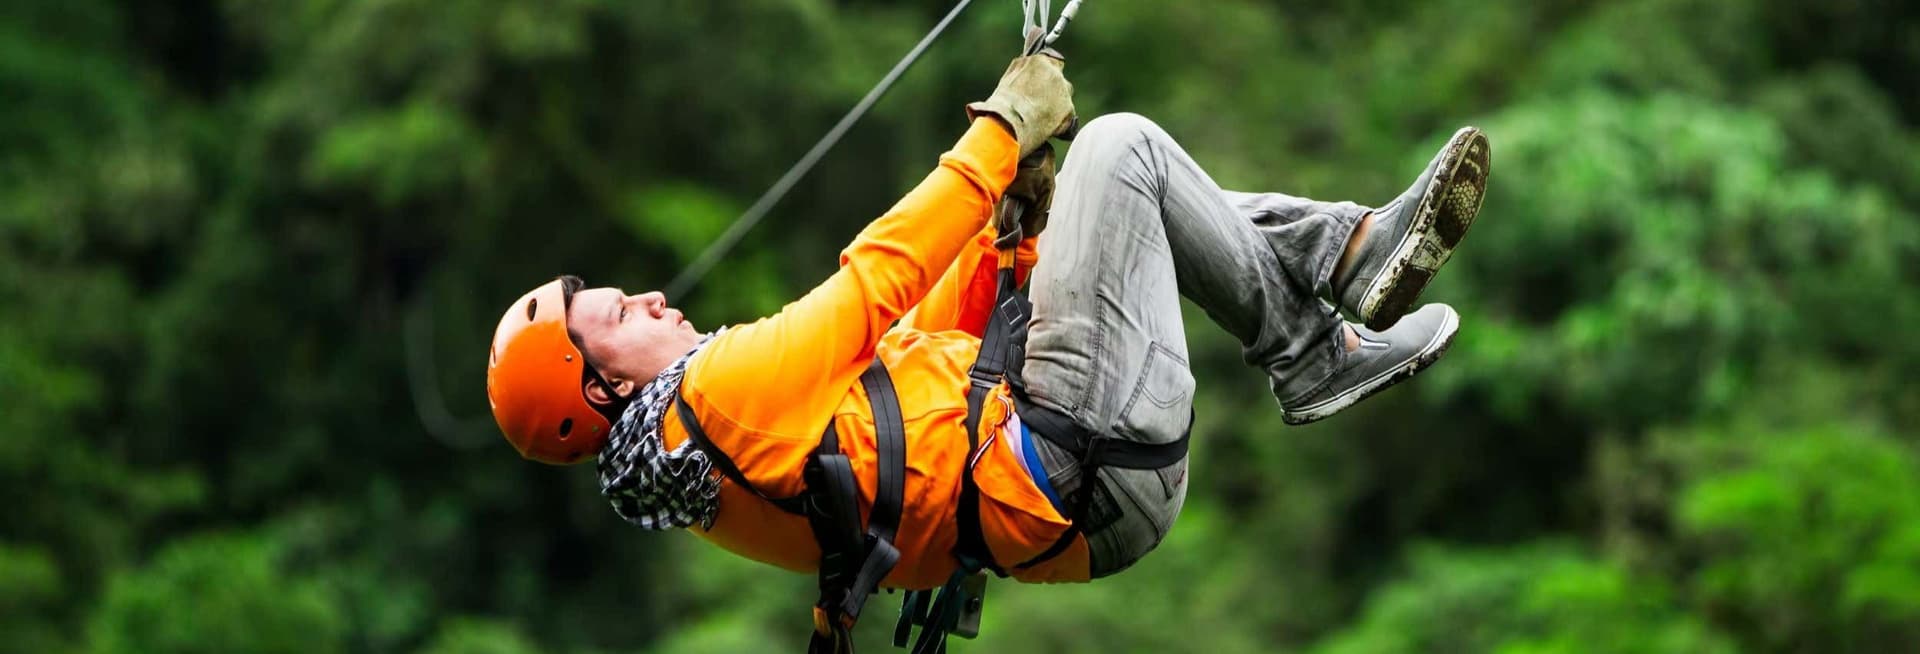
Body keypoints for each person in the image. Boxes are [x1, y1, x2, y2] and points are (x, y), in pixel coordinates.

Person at [485, 50, 1488, 628]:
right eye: (617, 318)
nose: (652, 299)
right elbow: (878, 280)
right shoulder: (718, 398)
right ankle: (1312, 347)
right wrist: (1000, 130)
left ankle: (1350, 254)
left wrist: (1002, 237)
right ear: (602, 393)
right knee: (1119, 149)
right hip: (1075, 456)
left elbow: (914, 366)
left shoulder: (706, 460)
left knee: (1091, 201)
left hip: (1074, 477)